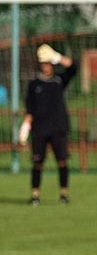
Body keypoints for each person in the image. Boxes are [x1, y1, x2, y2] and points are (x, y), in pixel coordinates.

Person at [18, 43, 78, 205]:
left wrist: (57, 57)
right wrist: (25, 127)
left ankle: (64, 194)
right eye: (44, 63)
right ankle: (35, 195)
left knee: (62, 161)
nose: (46, 67)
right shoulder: (34, 84)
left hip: (58, 128)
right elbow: (29, 109)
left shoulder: (59, 81)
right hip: (39, 129)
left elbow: (74, 67)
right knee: (38, 163)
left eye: (49, 63)